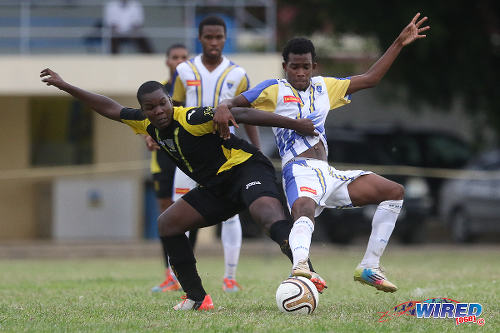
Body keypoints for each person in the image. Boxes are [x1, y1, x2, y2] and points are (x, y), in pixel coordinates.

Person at [40, 68, 321, 311]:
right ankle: (197, 298)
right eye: (151, 107)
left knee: (266, 216)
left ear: (169, 100)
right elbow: (110, 108)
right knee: (168, 224)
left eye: (163, 103)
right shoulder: (145, 123)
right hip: (215, 187)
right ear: (144, 110)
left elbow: (242, 112)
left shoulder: (191, 117)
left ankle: (306, 270)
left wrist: (296, 124)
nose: (159, 111)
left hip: (246, 168)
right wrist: (65, 86)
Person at [215, 13, 430, 293]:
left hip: (328, 173)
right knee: (303, 210)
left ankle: (369, 266)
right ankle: (300, 267)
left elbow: (371, 78)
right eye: (294, 67)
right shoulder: (274, 88)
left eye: (306, 67)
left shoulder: (324, 86)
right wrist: (223, 104)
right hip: (299, 169)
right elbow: (236, 107)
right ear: (285, 67)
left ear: (314, 66)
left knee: (394, 191)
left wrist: (399, 43)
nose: (300, 73)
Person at [169, 15, 259, 292]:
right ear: (200, 39)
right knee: (177, 214)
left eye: (219, 37)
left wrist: (256, 150)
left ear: (225, 38)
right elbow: (172, 110)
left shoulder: (238, 74)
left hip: (224, 153)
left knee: (230, 214)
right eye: (208, 37)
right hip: (187, 154)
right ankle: (177, 277)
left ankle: (229, 277)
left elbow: (249, 114)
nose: (214, 42)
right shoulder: (184, 71)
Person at [148, 44, 188, 293]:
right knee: (165, 214)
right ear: (167, 61)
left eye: (184, 57)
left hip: (186, 159)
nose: (180, 62)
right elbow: (145, 122)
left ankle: (183, 271)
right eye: (175, 57)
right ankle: (169, 274)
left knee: (186, 214)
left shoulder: (194, 88)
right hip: (162, 160)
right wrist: (148, 135)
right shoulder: (157, 91)